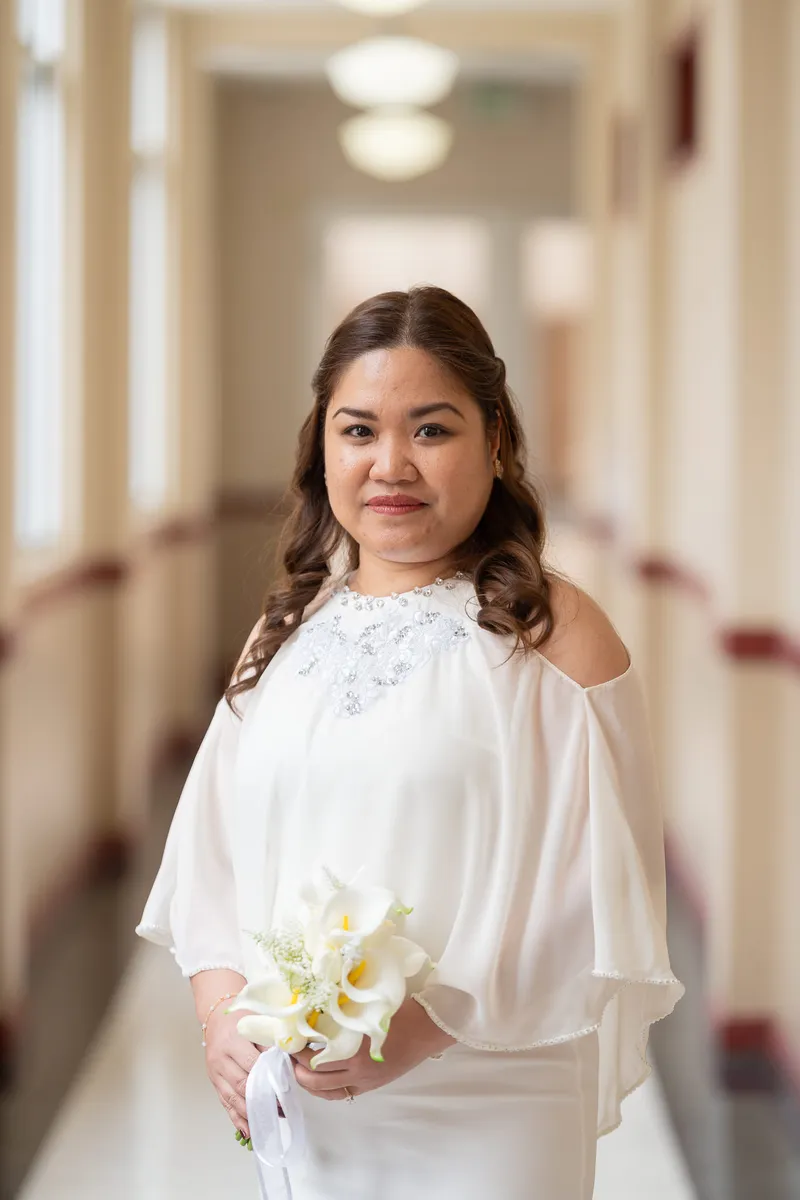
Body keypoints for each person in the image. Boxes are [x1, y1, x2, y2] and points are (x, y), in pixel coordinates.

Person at [135, 285, 684, 1199]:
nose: (391, 464)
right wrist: (222, 1011)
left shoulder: (556, 634)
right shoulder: (285, 630)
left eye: (431, 430)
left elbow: (596, 883)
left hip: (491, 1083)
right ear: (322, 445)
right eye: (358, 431)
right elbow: (213, 849)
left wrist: (418, 1029)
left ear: (496, 437)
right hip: (310, 1089)